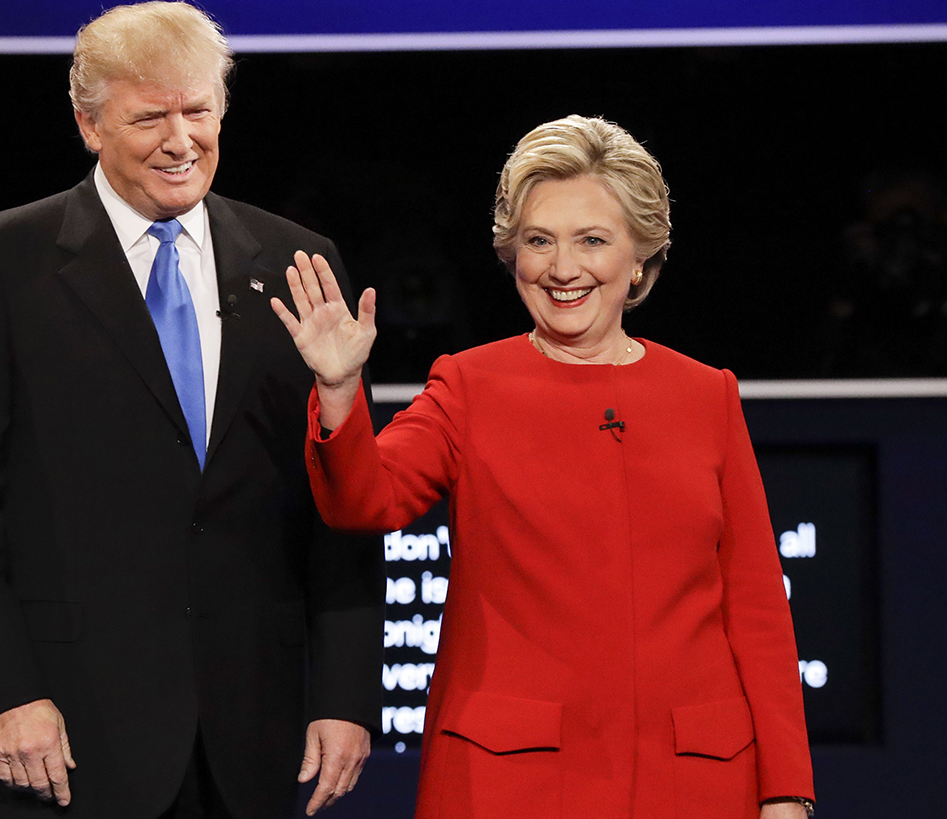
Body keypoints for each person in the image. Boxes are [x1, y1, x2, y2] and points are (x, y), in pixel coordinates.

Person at [0, 1, 383, 819]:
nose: (181, 139)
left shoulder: (297, 261)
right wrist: (5, 693)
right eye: (149, 117)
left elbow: (337, 498)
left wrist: (344, 694)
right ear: (89, 125)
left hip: (252, 730)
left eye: (199, 111)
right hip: (65, 726)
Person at [272, 115, 816, 818]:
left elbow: (757, 608)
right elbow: (365, 501)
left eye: (592, 240)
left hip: (694, 781)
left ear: (641, 258)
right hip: (512, 782)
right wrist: (340, 393)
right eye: (539, 241)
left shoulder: (706, 395)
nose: (563, 269)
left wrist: (786, 790)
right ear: (511, 254)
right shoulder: (469, 386)